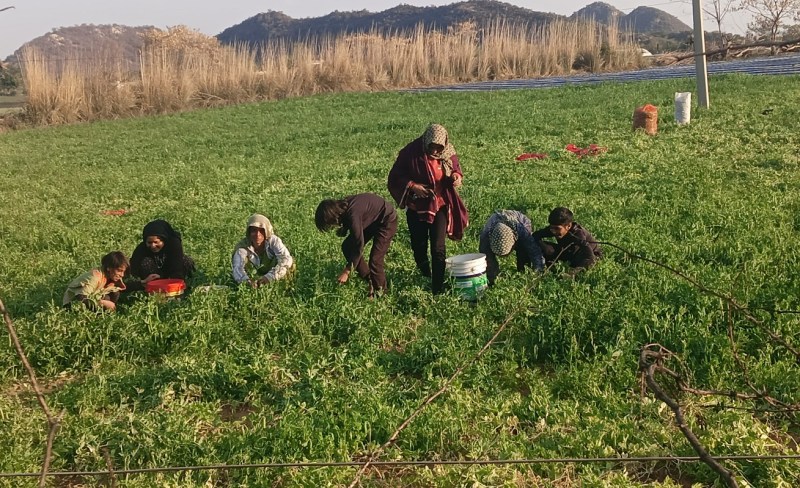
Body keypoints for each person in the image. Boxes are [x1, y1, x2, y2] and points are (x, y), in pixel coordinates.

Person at [388, 123, 469, 294]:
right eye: (432, 148)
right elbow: (395, 176)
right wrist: (413, 186)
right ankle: (426, 274)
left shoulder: (448, 151)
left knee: (438, 247)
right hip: (417, 205)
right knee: (419, 245)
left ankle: (437, 287)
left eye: (438, 148)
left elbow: (455, 168)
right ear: (426, 142)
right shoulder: (410, 153)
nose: (435, 152)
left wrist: (456, 177)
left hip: (439, 204)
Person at [315, 193, 398, 297]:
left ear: (333, 216)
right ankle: (370, 280)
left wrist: (347, 270)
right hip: (373, 220)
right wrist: (344, 228)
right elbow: (351, 223)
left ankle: (381, 293)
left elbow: (359, 245)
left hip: (387, 220)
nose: (332, 227)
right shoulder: (343, 207)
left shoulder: (353, 213)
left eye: (330, 224)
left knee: (375, 260)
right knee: (347, 246)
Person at [63, 251, 157, 311]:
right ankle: (101, 315)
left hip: (93, 296)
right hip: (73, 304)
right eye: (120, 271)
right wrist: (102, 303)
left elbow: (122, 288)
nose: (122, 275)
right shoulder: (95, 277)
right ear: (109, 268)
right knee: (107, 300)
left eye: (123, 272)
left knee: (115, 293)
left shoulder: (111, 275)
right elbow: (81, 298)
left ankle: (107, 313)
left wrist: (143, 283)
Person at [478, 210, 545, 286]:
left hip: (520, 222)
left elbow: (535, 252)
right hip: (494, 225)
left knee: (524, 251)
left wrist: (537, 273)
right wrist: (492, 279)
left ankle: (523, 274)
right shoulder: (486, 236)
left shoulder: (522, 231)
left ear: (513, 244)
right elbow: (487, 260)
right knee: (489, 261)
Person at [532, 207, 602, 278]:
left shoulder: (578, 234)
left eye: (557, 228)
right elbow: (535, 235)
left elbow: (590, 257)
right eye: (551, 228)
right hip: (568, 252)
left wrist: (572, 273)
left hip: (588, 256)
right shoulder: (554, 228)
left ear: (568, 226)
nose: (553, 231)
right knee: (543, 247)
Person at [232, 214, 294, 287]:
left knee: (289, 264)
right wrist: (246, 282)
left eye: (261, 231)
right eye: (254, 230)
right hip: (253, 276)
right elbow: (237, 268)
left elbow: (286, 258)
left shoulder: (273, 241)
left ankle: (285, 287)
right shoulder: (243, 247)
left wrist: (269, 277)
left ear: (267, 232)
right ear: (249, 232)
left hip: (273, 273)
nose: (257, 235)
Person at [130, 219, 195, 281]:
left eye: (156, 242)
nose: (153, 246)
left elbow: (177, 266)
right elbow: (133, 267)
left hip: (171, 270)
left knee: (185, 260)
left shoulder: (174, 243)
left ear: (164, 240)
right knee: (145, 262)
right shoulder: (142, 248)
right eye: (149, 242)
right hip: (153, 275)